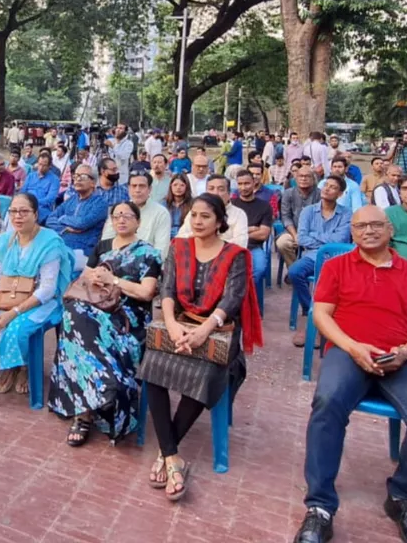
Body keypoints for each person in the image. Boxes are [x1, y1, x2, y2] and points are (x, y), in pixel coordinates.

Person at [294, 205, 407, 543]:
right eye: (360, 226)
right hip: (348, 352)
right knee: (327, 402)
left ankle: (404, 497)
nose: (368, 231)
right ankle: (319, 506)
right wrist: (352, 347)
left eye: (376, 225)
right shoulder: (337, 267)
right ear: (352, 231)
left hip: (400, 358)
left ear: (390, 229)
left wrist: (406, 351)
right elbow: (322, 315)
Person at [138, 194, 262, 502]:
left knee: (204, 374)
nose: (197, 221)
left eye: (205, 216)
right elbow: (166, 289)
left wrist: (204, 330)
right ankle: (173, 457)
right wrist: (171, 324)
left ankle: (166, 452)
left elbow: (232, 300)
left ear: (220, 221)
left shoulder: (235, 255)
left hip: (217, 330)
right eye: (193, 215)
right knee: (152, 369)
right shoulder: (178, 247)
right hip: (178, 324)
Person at [50, 201, 162, 446]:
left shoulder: (149, 253)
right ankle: (91, 405)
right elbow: (83, 280)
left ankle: (90, 407)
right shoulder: (102, 247)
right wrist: (96, 278)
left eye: (127, 216)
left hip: (127, 320)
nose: (121, 220)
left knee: (76, 324)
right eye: (117, 216)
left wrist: (114, 280)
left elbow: (146, 293)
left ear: (138, 222)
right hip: (92, 311)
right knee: (73, 314)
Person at [0, 192, 75, 394]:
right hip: (6, 294)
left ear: (36, 214)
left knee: (17, 329)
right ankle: (5, 364)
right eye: (13, 212)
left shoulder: (50, 242)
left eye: (24, 212)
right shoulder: (5, 240)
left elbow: (47, 290)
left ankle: (22, 366)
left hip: (41, 301)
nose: (18, 217)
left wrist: (12, 313)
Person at [288, 175, 352, 347]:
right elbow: (301, 238)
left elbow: (340, 239)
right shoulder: (308, 211)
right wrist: (325, 239)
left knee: (327, 281)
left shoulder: (346, 213)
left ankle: (315, 325)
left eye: (333, 187)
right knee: (294, 272)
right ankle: (313, 314)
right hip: (311, 256)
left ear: (340, 194)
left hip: (335, 258)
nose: (327, 189)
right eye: (326, 185)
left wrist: (315, 237)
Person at [101, 171, 171, 258]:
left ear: (149, 189)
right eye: (134, 186)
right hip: (114, 263)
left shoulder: (161, 213)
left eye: (142, 186)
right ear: (129, 188)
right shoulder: (119, 210)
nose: (137, 190)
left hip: (147, 266)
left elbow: (161, 251)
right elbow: (105, 242)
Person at [46, 164, 108, 254]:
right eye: (76, 176)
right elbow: (50, 219)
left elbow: (82, 223)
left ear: (93, 182)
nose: (78, 179)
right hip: (60, 245)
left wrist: (63, 218)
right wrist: (64, 229)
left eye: (83, 176)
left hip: (83, 250)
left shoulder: (100, 203)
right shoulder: (71, 200)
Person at [176, 175, 248, 248]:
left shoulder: (239, 214)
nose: (215, 193)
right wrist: (198, 236)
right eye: (211, 188)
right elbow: (179, 237)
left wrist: (212, 242)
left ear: (229, 194)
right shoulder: (195, 211)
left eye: (221, 189)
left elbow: (241, 244)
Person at [232, 168, 274, 286]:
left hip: (254, 247)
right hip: (232, 246)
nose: (243, 187)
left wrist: (241, 232)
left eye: (247, 183)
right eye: (240, 184)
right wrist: (252, 229)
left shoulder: (264, 206)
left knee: (259, 268)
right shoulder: (231, 205)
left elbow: (263, 234)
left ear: (254, 182)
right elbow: (228, 232)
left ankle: (246, 296)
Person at [276, 166, 320, 274]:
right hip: (293, 231)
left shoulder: (320, 194)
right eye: (301, 176)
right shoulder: (288, 193)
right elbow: (286, 217)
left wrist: (306, 236)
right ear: (295, 178)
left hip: (314, 233)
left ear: (313, 179)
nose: (303, 179)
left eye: (307, 176)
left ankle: (304, 272)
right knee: (282, 243)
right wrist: (296, 235)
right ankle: (295, 271)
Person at [164, 173, 193, 240]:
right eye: (175, 185)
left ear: (187, 187)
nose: (178, 188)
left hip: (185, 238)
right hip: (166, 237)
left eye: (182, 185)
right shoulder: (164, 204)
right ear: (170, 186)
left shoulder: (193, 204)